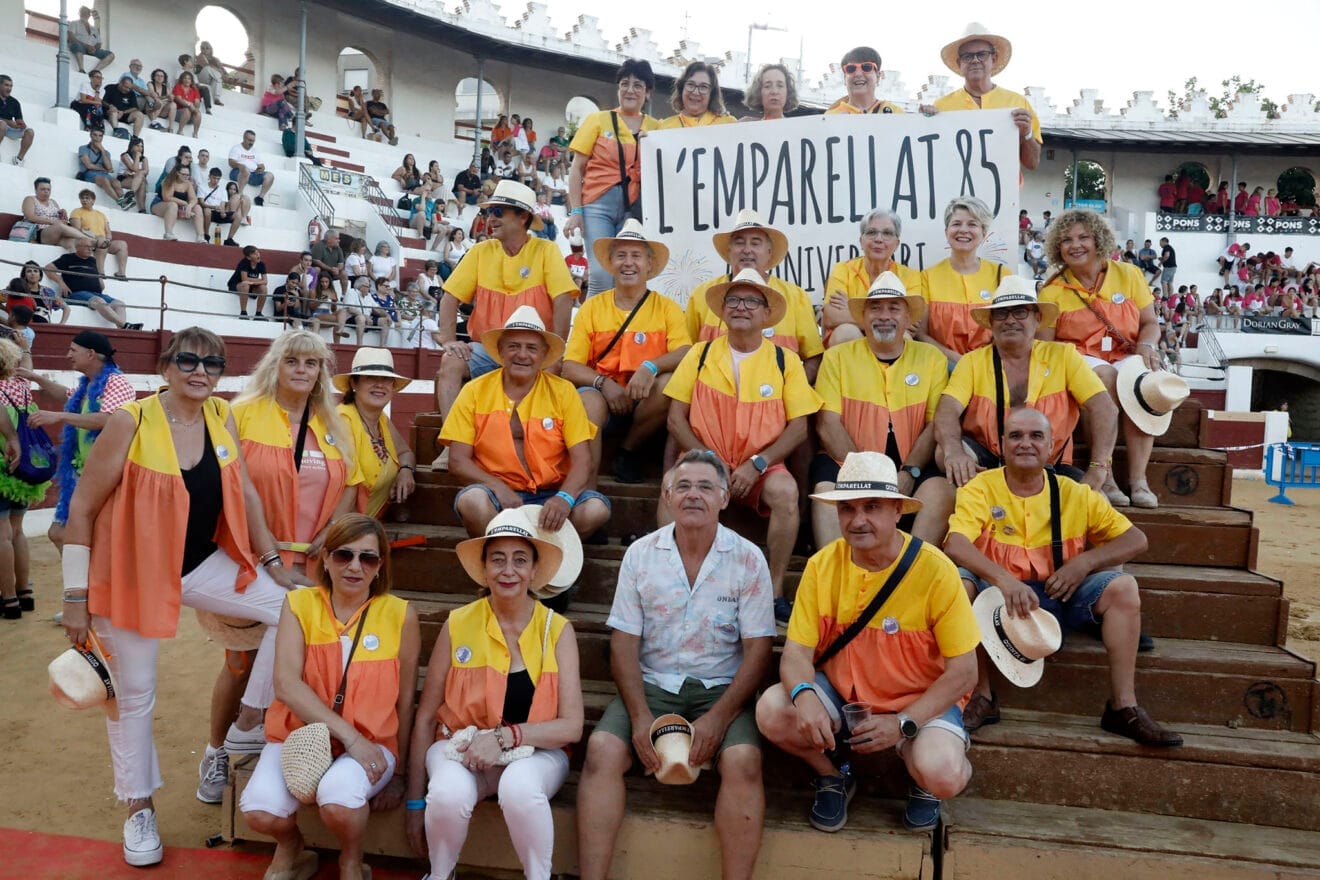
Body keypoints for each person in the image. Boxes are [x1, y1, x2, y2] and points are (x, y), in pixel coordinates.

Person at [58, 328, 300, 866]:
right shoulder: (131, 421)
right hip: (133, 573)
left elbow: (246, 491)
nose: (200, 372)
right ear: (166, 366)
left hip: (199, 564)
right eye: (188, 360)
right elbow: (82, 509)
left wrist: (271, 562)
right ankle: (138, 807)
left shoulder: (220, 415)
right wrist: (75, 596)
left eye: (212, 364)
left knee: (292, 608)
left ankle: (246, 724)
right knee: (134, 694)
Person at [756, 451, 978, 832]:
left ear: (897, 511)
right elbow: (795, 655)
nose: (857, 520)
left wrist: (904, 722)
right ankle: (834, 774)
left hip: (919, 701)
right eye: (847, 508)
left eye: (872, 507)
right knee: (773, 710)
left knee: (944, 773)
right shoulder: (821, 566)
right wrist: (804, 696)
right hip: (846, 695)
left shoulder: (936, 570)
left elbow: (964, 673)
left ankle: (924, 779)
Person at [576, 450, 773, 880]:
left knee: (743, 760)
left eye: (705, 487)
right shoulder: (641, 555)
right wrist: (639, 716)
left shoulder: (748, 558)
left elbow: (759, 650)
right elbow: (624, 643)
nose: (693, 495)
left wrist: (719, 718)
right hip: (652, 682)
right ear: (667, 496)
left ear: (724, 497)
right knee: (601, 750)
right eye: (683, 486)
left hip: (721, 687)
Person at [943, 406, 1183, 746]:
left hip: (1060, 594)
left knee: (1123, 587)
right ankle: (980, 695)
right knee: (960, 583)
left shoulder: (1075, 493)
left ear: (1051, 445)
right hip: (997, 598)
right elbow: (955, 543)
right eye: (1016, 436)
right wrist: (1004, 580)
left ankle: (1123, 706)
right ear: (1002, 444)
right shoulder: (980, 488)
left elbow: (1136, 540)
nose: (1025, 443)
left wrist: (1084, 562)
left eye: (1036, 436)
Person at [407, 508, 584, 880]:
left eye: (520, 560)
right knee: (448, 793)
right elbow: (425, 717)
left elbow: (571, 727)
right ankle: (440, 874)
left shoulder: (557, 630)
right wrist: (414, 801)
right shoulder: (458, 623)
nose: (508, 570)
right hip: (459, 744)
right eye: (498, 559)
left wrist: (505, 738)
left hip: (538, 752)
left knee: (520, 787)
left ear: (534, 570)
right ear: (484, 568)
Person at [242, 514, 420, 880]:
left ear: (380, 566)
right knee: (259, 812)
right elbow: (286, 685)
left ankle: (351, 860)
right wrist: (350, 738)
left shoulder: (401, 614)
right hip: (301, 736)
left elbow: (405, 701)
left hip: (374, 740)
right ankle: (292, 845)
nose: (355, 566)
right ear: (325, 558)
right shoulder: (298, 605)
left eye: (367, 558)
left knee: (338, 801)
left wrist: (400, 772)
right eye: (343, 555)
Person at [664, 268, 822, 624]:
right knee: (672, 484)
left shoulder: (785, 360)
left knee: (786, 492)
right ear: (722, 311)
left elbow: (799, 428)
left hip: (762, 465)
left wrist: (759, 463)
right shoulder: (700, 354)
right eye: (733, 300)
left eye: (752, 301)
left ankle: (774, 590)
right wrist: (708, 461)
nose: (741, 307)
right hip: (703, 459)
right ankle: (678, 587)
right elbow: (675, 419)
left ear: (767, 314)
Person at [441, 307, 612, 542]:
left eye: (531, 348)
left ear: (544, 355)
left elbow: (583, 460)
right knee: (472, 501)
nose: (522, 355)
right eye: (513, 346)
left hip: (553, 492)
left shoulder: (563, 391)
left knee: (595, 510)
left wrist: (564, 498)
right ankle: (504, 555)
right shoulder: (474, 391)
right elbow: (458, 461)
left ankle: (553, 556)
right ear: (500, 351)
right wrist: (498, 487)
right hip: (496, 493)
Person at [934, 275, 1118, 492]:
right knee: (942, 453)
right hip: (988, 464)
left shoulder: (1064, 356)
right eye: (1001, 313)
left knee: (1097, 501)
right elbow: (947, 410)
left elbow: (1105, 408)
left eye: (1020, 312)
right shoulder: (972, 361)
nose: (1010, 320)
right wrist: (954, 451)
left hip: (1050, 467)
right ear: (991, 323)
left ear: (1037, 319)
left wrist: (1099, 467)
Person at [813, 272, 955, 549]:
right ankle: (840, 572)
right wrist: (864, 474)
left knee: (942, 491)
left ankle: (911, 570)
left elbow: (934, 424)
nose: (884, 316)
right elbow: (827, 424)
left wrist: (910, 471)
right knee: (825, 491)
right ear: (863, 317)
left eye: (894, 308)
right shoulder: (836, 357)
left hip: (910, 465)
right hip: (848, 461)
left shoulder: (932, 359)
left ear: (907, 317)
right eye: (875, 308)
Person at [1038, 210, 1166, 508]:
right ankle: (1105, 476)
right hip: (1079, 357)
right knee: (1104, 377)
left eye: (1083, 237)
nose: (1075, 245)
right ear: (1058, 247)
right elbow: (1046, 344)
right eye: (1066, 240)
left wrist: (1147, 346)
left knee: (1142, 382)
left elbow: (1150, 323)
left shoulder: (1129, 274)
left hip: (1126, 353)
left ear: (1098, 240)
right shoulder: (1052, 289)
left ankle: (1139, 479)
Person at [434, 181, 577, 419]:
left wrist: (555, 354)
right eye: (489, 212)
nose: (490, 218)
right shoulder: (480, 251)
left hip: (531, 350)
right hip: (488, 349)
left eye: (498, 212)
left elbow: (563, 299)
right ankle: (452, 435)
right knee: (450, 361)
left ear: (523, 217)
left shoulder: (546, 250)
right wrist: (448, 341)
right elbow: (449, 297)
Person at [562, 220, 691, 483]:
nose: (628, 263)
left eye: (636, 256)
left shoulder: (667, 308)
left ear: (649, 264)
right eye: (621, 255)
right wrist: (604, 383)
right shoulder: (592, 307)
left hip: (646, 402)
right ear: (610, 262)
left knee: (669, 383)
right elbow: (570, 366)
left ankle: (627, 451)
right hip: (603, 398)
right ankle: (587, 488)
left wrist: (650, 367)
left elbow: (685, 351)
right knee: (588, 401)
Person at [23, 332, 134, 553]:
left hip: (106, 474)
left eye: (73, 350)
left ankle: (85, 575)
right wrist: (36, 378)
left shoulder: (117, 382)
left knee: (75, 534)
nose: (68, 355)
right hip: (84, 472)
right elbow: (67, 395)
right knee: (61, 533)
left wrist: (60, 416)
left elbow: (109, 419)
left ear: (91, 353)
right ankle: (82, 574)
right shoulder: (88, 385)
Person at [685, 209, 824, 380]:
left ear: (769, 252)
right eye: (739, 242)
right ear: (729, 250)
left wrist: (791, 388)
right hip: (713, 391)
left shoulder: (795, 296)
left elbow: (813, 357)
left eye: (755, 243)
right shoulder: (703, 295)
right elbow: (686, 353)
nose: (747, 250)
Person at [563, 59, 660, 298]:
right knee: (600, 274)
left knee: (625, 275)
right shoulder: (598, 120)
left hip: (634, 210)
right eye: (624, 83)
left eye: (638, 85)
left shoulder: (657, 128)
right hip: (597, 206)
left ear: (647, 93)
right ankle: (591, 322)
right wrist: (576, 211)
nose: (630, 90)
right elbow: (577, 169)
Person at [932, 23, 1040, 170]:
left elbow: (1032, 164)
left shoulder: (1018, 103)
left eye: (982, 54)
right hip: (957, 185)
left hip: (1002, 185)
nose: (975, 60)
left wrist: (1027, 134)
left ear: (994, 59)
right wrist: (925, 122)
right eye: (967, 56)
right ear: (959, 63)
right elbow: (933, 158)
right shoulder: (941, 107)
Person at [916, 197, 1008, 364]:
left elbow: (1008, 329)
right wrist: (959, 361)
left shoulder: (1002, 275)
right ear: (947, 231)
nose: (963, 230)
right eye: (956, 224)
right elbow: (921, 334)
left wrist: (979, 362)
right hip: (943, 366)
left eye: (972, 224)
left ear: (983, 233)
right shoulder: (927, 277)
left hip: (990, 365)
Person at [335, 349, 417, 518]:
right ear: (354, 384)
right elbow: (347, 488)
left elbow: (405, 453)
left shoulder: (381, 420)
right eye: (370, 377)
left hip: (363, 523)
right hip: (342, 524)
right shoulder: (343, 420)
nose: (380, 384)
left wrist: (406, 470)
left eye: (386, 379)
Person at [821, 210, 921, 347]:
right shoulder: (842, 270)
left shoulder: (910, 276)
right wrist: (890, 319)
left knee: (905, 337)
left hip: (889, 340)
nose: (878, 239)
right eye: (871, 232)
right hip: (851, 341)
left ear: (897, 244)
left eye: (887, 233)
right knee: (847, 331)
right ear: (861, 241)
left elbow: (911, 323)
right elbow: (831, 317)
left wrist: (853, 310)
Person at [0, 338, 37, 619]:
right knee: (18, 530)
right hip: (24, 467)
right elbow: (27, 367)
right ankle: (24, 593)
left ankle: (9, 599)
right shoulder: (22, 387)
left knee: (2, 534)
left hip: (2, 463)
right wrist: (25, 349)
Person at [44, 238, 139, 329]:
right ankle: (125, 325)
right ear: (78, 247)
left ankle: (122, 330)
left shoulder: (92, 260)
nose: (90, 249)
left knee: (120, 304)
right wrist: (61, 283)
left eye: (91, 247)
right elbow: (48, 268)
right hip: (76, 294)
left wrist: (99, 281)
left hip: (95, 294)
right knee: (99, 301)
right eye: (87, 246)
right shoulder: (67, 258)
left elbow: (97, 276)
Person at [69, 189, 130, 278]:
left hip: (102, 241)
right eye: (82, 198)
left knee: (122, 244)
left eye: (87, 198)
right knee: (101, 239)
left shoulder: (101, 214)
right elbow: (77, 230)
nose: (84, 200)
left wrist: (108, 239)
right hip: (87, 240)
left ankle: (121, 273)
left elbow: (108, 232)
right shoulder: (76, 211)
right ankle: (100, 272)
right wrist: (94, 237)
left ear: (93, 201)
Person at [825, 46, 903, 114]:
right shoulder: (829, 118)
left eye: (867, 67)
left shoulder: (896, 113)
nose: (858, 74)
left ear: (878, 76)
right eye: (851, 68)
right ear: (845, 78)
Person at [659, 61, 736, 128]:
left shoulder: (729, 124)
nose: (695, 92)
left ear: (712, 93)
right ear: (682, 88)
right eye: (690, 84)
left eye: (703, 87)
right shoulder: (665, 127)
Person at [77, 128, 131, 209]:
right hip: (89, 173)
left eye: (100, 136)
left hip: (104, 174)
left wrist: (102, 150)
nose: (97, 138)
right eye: (95, 135)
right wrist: (103, 169)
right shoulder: (83, 148)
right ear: (90, 135)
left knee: (116, 182)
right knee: (104, 180)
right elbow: (89, 165)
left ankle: (124, 200)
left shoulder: (106, 153)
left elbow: (109, 168)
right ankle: (119, 201)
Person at [151, 163, 206, 242]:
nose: (186, 176)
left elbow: (194, 199)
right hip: (160, 204)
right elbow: (167, 198)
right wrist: (184, 203)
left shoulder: (188, 183)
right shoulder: (168, 180)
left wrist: (190, 206)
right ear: (177, 173)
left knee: (197, 207)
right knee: (173, 205)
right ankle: (168, 233)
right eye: (183, 174)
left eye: (187, 175)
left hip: (179, 207)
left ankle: (200, 236)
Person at [229, 129, 275, 207]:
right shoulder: (236, 148)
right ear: (244, 138)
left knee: (270, 176)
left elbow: (261, 165)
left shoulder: (255, 151)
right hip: (238, 172)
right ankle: (240, 194)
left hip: (253, 174)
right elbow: (231, 162)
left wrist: (261, 169)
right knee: (245, 170)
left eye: (253, 141)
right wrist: (240, 165)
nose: (251, 143)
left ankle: (260, 198)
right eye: (249, 140)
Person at [203, 175, 250, 247]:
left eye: (234, 189)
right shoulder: (223, 194)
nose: (232, 191)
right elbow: (221, 206)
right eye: (230, 189)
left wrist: (241, 203)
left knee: (245, 198)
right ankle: (206, 235)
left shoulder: (236, 197)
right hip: (217, 213)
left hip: (228, 214)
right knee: (237, 197)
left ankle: (229, 239)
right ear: (227, 189)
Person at [0, 75, 35, 166]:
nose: (9, 88)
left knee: (30, 132)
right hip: (2, 125)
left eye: (11, 86)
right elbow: (6, 123)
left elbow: (19, 119)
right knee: (2, 124)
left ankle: (19, 159)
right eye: (6, 85)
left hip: (8, 129)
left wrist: (21, 125)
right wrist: (9, 122)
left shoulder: (14, 102)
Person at [227, 245, 269, 319]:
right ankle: (243, 313)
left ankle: (258, 314)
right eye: (255, 254)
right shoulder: (244, 263)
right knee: (245, 285)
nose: (258, 255)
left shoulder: (261, 264)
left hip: (251, 285)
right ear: (248, 257)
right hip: (236, 284)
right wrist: (259, 280)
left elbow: (265, 281)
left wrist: (254, 282)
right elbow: (244, 279)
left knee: (264, 288)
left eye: (258, 252)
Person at [70, 6, 115, 73]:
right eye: (83, 12)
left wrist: (94, 48)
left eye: (87, 12)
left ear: (89, 15)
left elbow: (99, 43)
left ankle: (94, 71)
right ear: (79, 13)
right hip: (80, 47)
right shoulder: (74, 23)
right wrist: (86, 46)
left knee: (111, 55)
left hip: (92, 50)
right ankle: (81, 69)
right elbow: (71, 37)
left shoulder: (93, 29)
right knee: (76, 45)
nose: (85, 14)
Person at [117, 136, 150, 215]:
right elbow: (134, 168)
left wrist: (136, 173)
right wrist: (137, 157)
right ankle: (142, 209)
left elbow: (146, 172)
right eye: (137, 146)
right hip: (123, 179)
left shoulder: (144, 159)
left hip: (137, 180)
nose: (140, 148)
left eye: (141, 146)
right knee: (141, 179)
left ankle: (131, 194)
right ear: (132, 147)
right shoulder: (125, 156)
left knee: (141, 180)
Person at [310, 230, 349, 297]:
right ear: (329, 239)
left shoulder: (338, 248)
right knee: (317, 269)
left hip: (332, 273)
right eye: (336, 238)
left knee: (344, 273)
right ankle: (312, 293)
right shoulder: (318, 246)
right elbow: (316, 261)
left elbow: (341, 263)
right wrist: (330, 269)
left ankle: (343, 296)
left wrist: (337, 269)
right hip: (321, 272)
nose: (339, 240)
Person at [171, 70, 203, 137]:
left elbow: (197, 102)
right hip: (178, 113)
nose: (187, 80)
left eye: (189, 79)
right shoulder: (178, 86)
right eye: (185, 78)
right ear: (181, 79)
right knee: (187, 110)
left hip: (191, 114)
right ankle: (180, 130)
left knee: (198, 113)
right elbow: (179, 99)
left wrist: (196, 108)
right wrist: (189, 104)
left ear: (191, 81)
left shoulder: (194, 89)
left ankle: (195, 133)